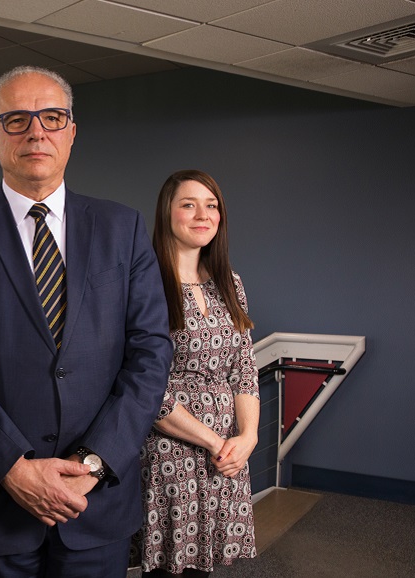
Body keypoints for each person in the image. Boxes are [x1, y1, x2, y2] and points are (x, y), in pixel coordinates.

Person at [0, 66, 173, 578]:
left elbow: (150, 354)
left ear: (71, 132)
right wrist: (12, 467)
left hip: (94, 502)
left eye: (52, 117)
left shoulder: (122, 227)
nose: (36, 132)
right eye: (17, 120)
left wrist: (93, 464)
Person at [132, 170, 259, 577]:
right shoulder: (145, 283)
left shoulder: (230, 282)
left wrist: (248, 437)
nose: (203, 215)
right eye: (189, 204)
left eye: (211, 205)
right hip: (170, 450)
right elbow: (144, 383)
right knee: (168, 568)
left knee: (202, 567)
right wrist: (215, 443)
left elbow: (243, 366)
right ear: (166, 213)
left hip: (226, 454)